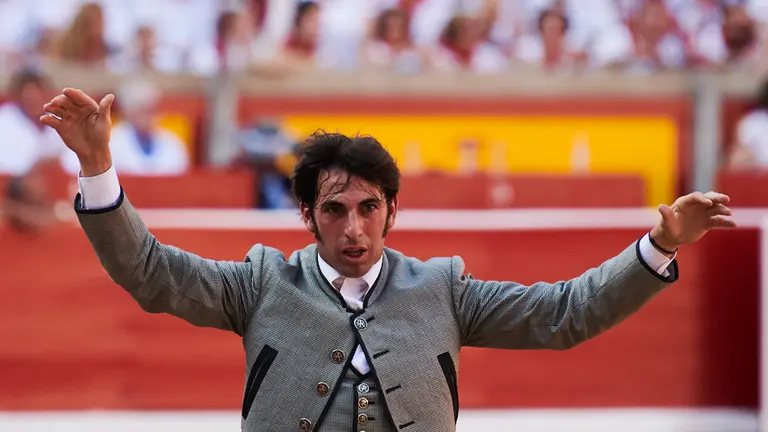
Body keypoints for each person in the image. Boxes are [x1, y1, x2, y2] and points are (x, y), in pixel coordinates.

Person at [41, 88, 736, 432]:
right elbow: (152, 273)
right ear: (308, 215)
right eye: (335, 209)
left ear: (392, 213)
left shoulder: (443, 288)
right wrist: (99, 167)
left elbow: (565, 314)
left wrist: (661, 246)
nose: (353, 228)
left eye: (369, 208)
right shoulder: (261, 283)